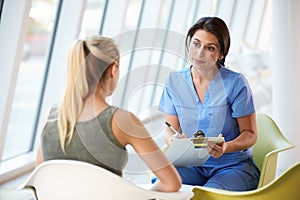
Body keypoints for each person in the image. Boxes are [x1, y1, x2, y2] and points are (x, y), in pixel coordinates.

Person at [35, 35, 181, 192]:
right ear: (113, 69)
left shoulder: (51, 115)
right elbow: (171, 183)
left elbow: (40, 179)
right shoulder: (121, 120)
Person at [158, 17, 260, 191]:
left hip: (231, 166)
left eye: (210, 48)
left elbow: (250, 134)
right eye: (196, 44)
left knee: (209, 195)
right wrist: (173, 140)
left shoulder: (236, 83)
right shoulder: (175, 81)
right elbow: (169, 129)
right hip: (191, 163)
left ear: (221, 54)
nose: (199, 53)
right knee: (163, 186)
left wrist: (227, 147)